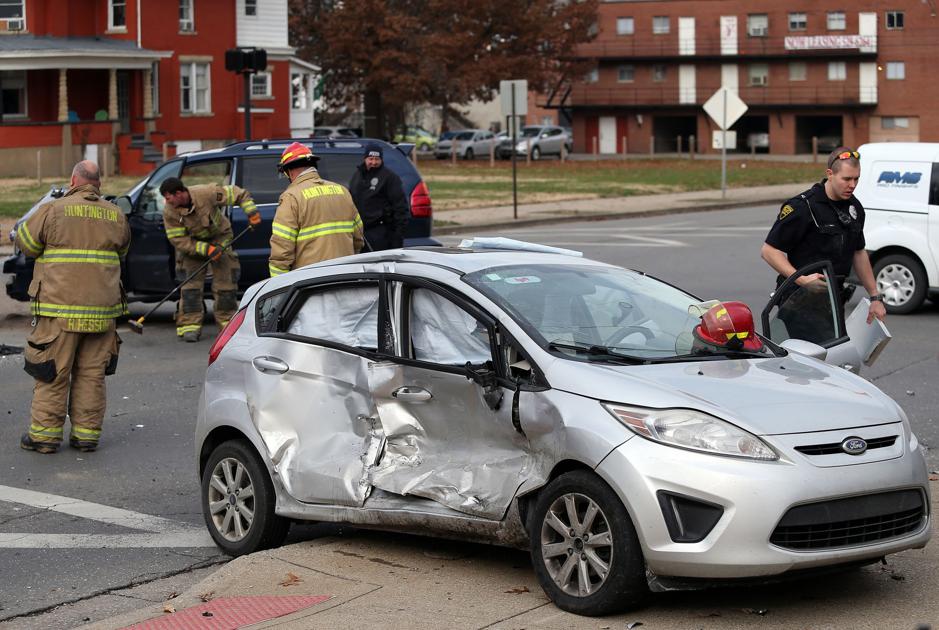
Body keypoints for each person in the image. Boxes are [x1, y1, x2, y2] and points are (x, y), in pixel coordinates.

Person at [16, 160, 130, 454]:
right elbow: (123, 249)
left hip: (60, 311)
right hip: (102, 313)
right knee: (92, 375)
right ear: (98, 184)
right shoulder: (116, 214)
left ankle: (44, 437)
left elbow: (26, 243)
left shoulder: (53, 210)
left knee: (52, 372)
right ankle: (86, 436)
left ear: (72, 181)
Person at [761, 147, 886, 342]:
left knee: (835, 354)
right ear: (830, 174)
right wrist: (802, 279)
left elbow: (858, 252)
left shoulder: (854, 208)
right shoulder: (803, 207)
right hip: (799, 301)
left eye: (856, 179)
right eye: (846, 179)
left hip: (833, 301)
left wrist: (875, 297)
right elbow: (769, 251)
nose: (852, 185)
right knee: (808, 358)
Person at [159, 177, 261, 342]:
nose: (167, 202)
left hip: (220, 239)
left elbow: (239, 194)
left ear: (178, 193)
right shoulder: (170, 211)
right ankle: (190, 326)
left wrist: (252, 212)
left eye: (168, 198)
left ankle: (227, 326)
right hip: (193, 248)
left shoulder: (206, 193)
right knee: (190, 289)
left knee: (226, 286)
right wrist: (206, 250)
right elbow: (178, 240)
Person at [268, 142, 364, 276]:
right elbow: (358, 238)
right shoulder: (342, 191)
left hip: (312, 281)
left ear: (289, 171)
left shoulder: (291, 197)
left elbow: (282, 248)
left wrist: (278, 282)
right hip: (346, 276)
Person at [348, 141, 409, 251]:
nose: (374, 162)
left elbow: (400, 208)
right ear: (365, 159)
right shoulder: (358, 175)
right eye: (370, 159)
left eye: (377, 159)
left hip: (381, 233)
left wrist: (397, 238)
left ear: (381, 160)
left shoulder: (389, 177)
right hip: (360, 232)